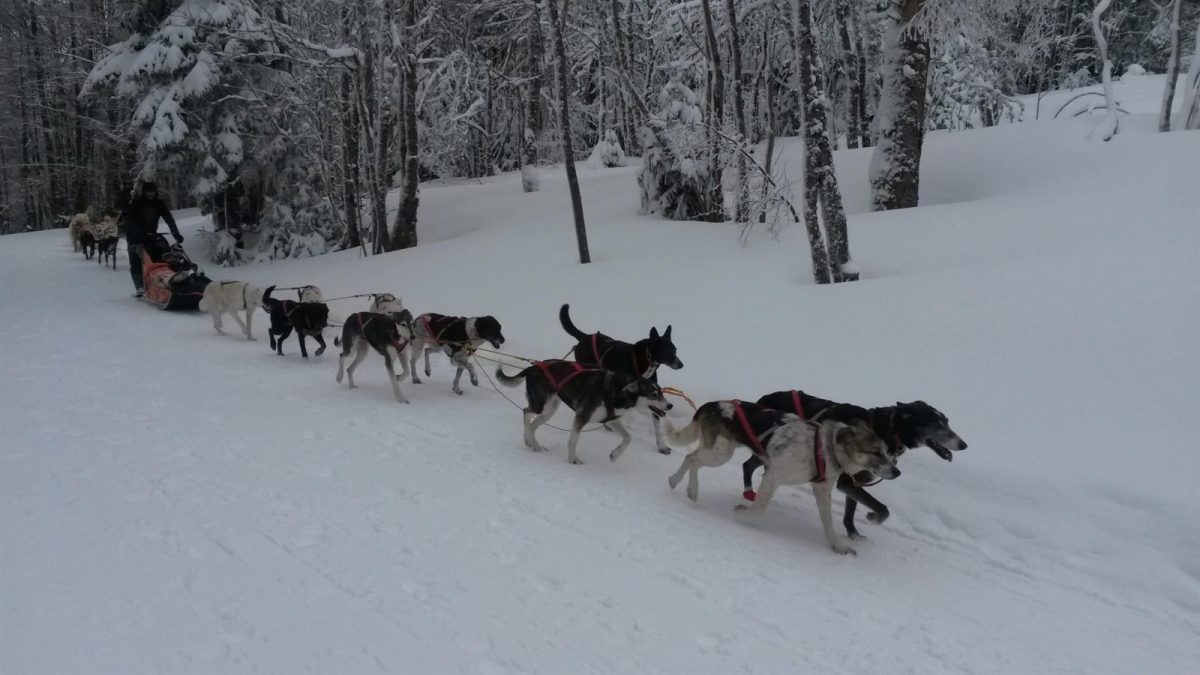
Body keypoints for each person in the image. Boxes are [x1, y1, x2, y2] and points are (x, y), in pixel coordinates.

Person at [121, 181, 183, 297]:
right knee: (136, 262)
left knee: (157, 260)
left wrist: (176, 234)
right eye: (148, 192)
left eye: (152, 192)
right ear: (143, 192)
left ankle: (163, 283)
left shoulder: (159, 204)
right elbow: (130, 221)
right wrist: (138, 234)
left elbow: (169, 218)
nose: (150, 194)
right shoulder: (136, 203)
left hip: (151, 236)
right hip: (134, 238)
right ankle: (140, 286)